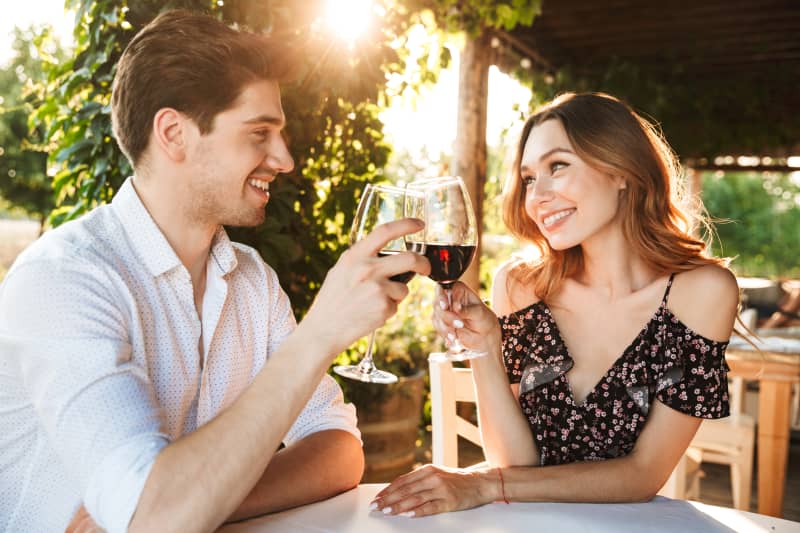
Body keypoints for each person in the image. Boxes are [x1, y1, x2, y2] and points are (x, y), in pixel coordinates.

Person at [0, 10, 429, 532]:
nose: (285, 158)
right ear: (174, 133)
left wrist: (208, 501)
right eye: (259, 133)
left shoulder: (251, 278)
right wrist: (319, 333)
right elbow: (157, 521)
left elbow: (339, 450)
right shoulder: (63, 281)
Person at [372, 92, 739, 517]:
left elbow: (643, 476)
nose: (537, 197)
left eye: (557, 167)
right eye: (529, 179)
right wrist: (486, 347)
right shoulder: (521, 286)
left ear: (621, 170)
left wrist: (481, 483)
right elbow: (517, 464)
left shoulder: (702, 293)